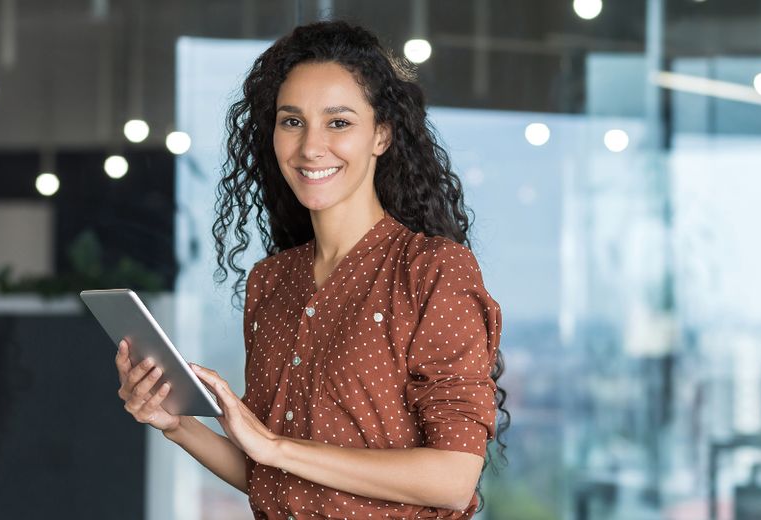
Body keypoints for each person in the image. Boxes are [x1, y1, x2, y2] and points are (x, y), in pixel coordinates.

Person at [115, 19, 510, 520]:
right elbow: (269, 475)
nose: (310, 147)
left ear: (381, 134)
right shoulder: (271, 282)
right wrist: (175, 424)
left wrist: (275, 447)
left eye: (339, 122)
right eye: (292, 121)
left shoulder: (432, 271)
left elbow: (453, 479)